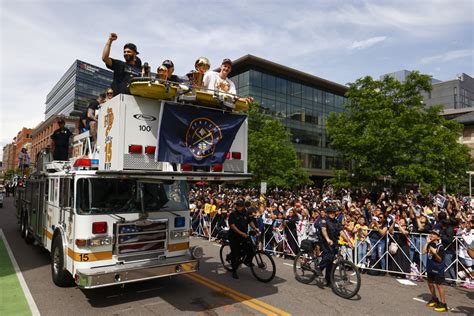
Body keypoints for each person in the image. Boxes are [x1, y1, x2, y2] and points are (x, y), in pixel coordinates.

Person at [228, 199, 259, 279]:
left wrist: (255, 228)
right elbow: (232, 226)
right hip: (234, 236)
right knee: (236, 254)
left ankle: (247, 261)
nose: (239, 207)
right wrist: (241, 233)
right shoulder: (233, 214)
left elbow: (250, 221)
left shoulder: (245, 213)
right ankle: (234, 271)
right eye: (238, 206)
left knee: (251, 248)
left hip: (244, 235)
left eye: (241, 206)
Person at [423, 228, 448, 312]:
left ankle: (443, 304)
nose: (432, 235)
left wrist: (435, 253)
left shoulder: (440, 247)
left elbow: (440, 260)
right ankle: (434, 298)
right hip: (430, 267)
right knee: (429, 283)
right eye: (431, 233)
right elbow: (423, 252)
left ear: (438, 237)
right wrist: (427, 243)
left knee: (439, 285)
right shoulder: (430, 244)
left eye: (434, 234)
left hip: (438, 269)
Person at [319, 205, 342, 286]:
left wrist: (349, 241)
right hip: (324, 242)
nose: (333, 214)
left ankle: (328, 280)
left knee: (331, 262)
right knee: (329, 255)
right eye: (331, 212)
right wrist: (328, 239)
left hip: (333, 243)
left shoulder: (336, 221)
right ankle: (319, 268)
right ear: (328, 213)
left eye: (334, 212)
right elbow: (323, 230)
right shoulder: (324, 221)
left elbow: (342, 232)